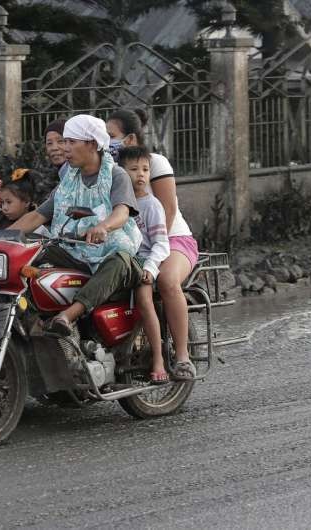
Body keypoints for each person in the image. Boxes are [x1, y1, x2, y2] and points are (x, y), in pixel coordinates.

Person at [7, 114, 143, 335]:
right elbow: (37, 216)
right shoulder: (68, 181)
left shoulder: (116, 175)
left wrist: (104, 227)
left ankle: (67, 316)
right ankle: (29, 315)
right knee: (31, 247)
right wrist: (0, 236)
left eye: (70, 142)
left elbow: (122, 212)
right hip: (73, 249)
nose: (64, 149)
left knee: (120, 262)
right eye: (63, 142)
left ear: (91, 144)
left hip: (112, 252)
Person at [107, 108, 199, 380]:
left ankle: (182, 357)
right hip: (132, 246)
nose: (107, 141)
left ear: (130, 138)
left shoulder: (154, 162)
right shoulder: (110, 168)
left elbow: (167, 212)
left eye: (111, 136)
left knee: (167, 280)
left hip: (169, 239)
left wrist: (152, 259)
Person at [117, 145, 176, 383]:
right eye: (133, 169)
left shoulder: (152, 205)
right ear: (120, 173)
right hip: (120, 259)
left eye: (145, 169)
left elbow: (161, 244)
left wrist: (150, 269)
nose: (140, 174)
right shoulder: (115, 201)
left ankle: (158, 358)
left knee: (143, 299)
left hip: (143, 262)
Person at [0, 169, 50, 237]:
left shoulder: (39, 230)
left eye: (9, 202)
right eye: (2, 202)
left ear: (26, 201)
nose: (4, 208)